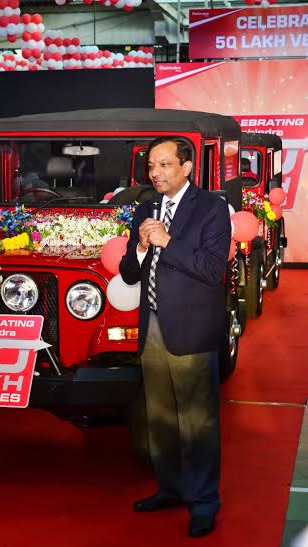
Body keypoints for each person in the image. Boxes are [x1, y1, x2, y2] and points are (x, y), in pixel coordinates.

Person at [119, 137, 231, 538]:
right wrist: (140, 247)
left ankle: (203, 502)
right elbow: (129, 273)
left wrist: (168, 241)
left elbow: (212, 269)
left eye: (164, 164)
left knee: (197, 423)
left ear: (187, 167)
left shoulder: (211, 208)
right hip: (152, 325)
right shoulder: (146, 208)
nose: (155, 173)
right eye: (151, 166)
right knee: (161, 417)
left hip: (192, 329)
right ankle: (170, 488)